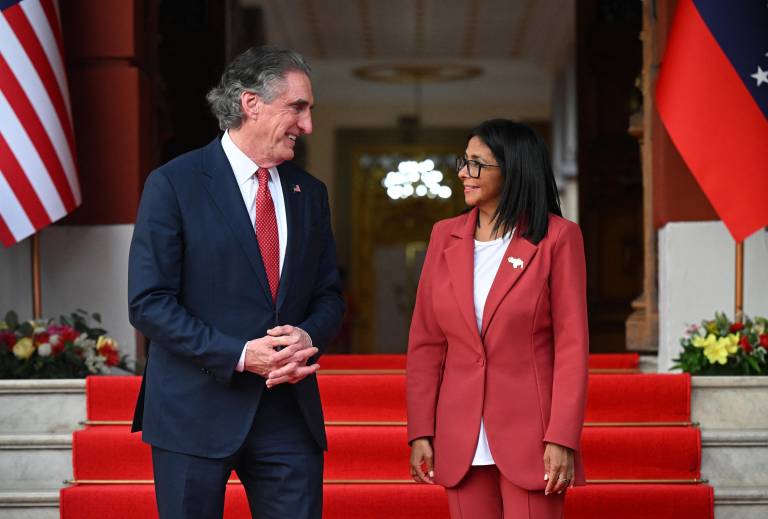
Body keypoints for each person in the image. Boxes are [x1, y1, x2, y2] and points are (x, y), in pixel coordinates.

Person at [128, 45, 344, 519]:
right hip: (192, 410)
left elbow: (329, 296)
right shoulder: (173, 184)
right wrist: (242, 355)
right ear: (251, 104)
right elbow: (148, 303)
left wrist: (308, 335)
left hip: (287, 414)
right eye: (297, 108)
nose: (306, 125)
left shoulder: (311, 194)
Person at [406, 119, 589, 518]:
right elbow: (426, 343)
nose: (463, 173)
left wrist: (562, 436)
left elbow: (572, 346)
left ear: (514, 170)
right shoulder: (443, 236)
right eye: (463, 162)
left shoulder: (558, 238)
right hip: (460, 435)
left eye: (477, 164)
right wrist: (421, 430)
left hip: (532, 436)